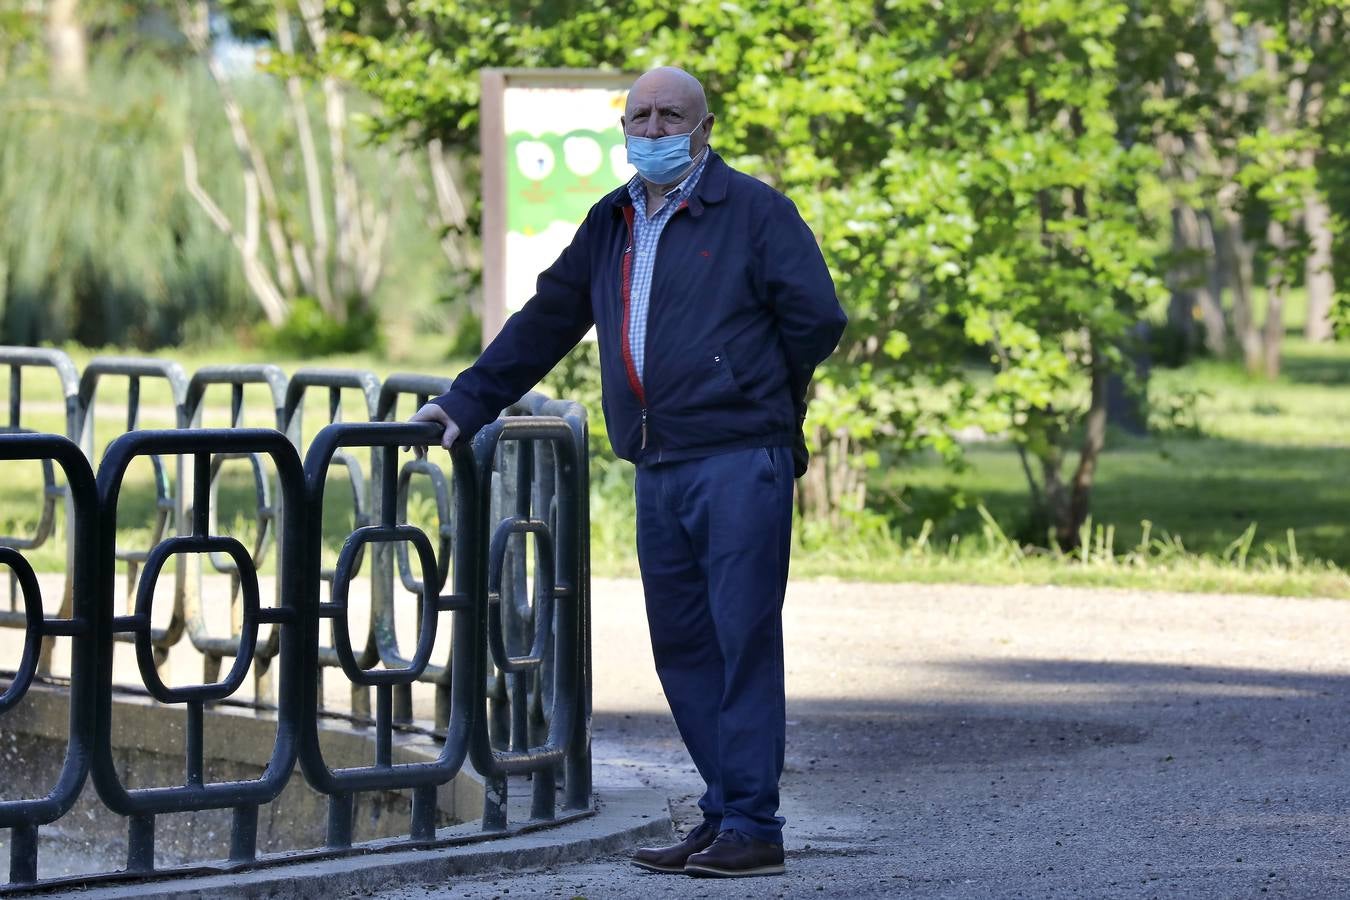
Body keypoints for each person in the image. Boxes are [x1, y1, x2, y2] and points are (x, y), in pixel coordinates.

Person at [411, 66, 846, 878]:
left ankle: (754, 822)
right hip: (659, 462)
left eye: (669, 115)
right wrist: (465, 403)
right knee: (682, 646)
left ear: (705, 126)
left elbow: (817, 319)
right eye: (640, 115)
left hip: (740, 459)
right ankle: (725, 813)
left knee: (741, 640)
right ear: (625, 128)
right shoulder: (613, 219)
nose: (652, 128)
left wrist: (749, 389)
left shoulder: (754, 211)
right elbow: (546, 320)